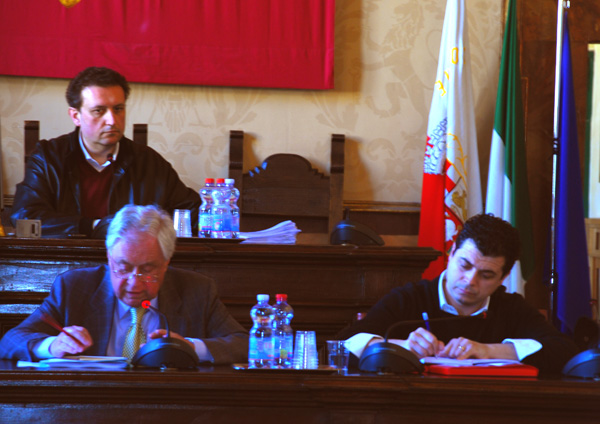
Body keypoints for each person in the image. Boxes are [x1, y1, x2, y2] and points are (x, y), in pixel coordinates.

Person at [0, 204, 248, 364]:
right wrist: (52, 346)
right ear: (109, 258)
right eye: (123, 268)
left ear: (166, 263)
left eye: (147, 270)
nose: (133, 283)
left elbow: (244, 344)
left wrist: (189, 347)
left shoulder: (197, 290)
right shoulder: (74, 287)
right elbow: (10, 340)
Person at [338, 213, 579, 374]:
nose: (470, 281)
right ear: (451, 253)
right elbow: (341, 346)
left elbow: (565, 352)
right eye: (464, 265)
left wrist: (488, 351)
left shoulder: (512, 308)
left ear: (503, 277)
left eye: (486, 275)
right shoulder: (409, 299)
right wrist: (402, 347)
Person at [11, 66, 200, 238]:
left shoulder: (148, 161)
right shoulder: (48, 158)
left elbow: (191, 211)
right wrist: (93, 226)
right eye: (99, 111)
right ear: (76, 116)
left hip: (131, 260)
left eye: (118, 109)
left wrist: (150, 232)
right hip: (65, 259)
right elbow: (25, 217)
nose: (112, 120)